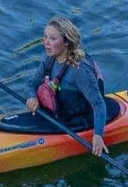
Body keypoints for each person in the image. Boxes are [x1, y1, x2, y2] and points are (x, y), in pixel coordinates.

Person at [26, 16, 113, 155]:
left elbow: (98, 104)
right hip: (59, 113)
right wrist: (32, 97)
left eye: (53, 39)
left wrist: (98, 135)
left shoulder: (80, 71)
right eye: (45, 37)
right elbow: (31, 84)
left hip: (81, 119)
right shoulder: (49, 58)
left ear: (66, 41)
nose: (46, 43)